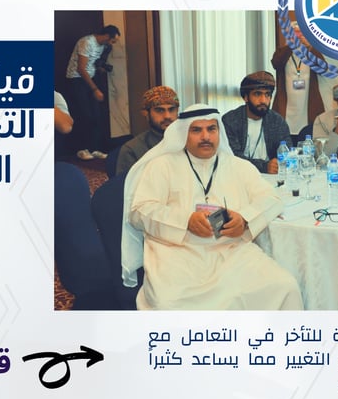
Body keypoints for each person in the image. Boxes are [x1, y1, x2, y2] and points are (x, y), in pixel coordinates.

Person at [122, 104, 304, 310]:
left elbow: (272, 199)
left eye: (211, 129)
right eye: (196, 130)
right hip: (178, 254)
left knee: (285, 287)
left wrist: (245, 219)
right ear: (183, 133)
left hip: (232, 252)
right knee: (168, 303)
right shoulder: (162, 166)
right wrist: (185, 221)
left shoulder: (239, 166)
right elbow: (139, 211)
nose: (205, 137)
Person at [271, 21, 338, 134]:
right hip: (286, 107)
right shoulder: (283, 52)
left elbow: (323, 69)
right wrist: (290, 46)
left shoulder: (311, 53)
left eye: (302, 33)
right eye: (295, 33)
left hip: (308, 107)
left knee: (308, 135)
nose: (299, 37)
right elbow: (276, 63)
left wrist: (310, 48)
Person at [65, 25, 121, 161]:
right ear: (107, 36)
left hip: (90, 78)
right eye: (113, 40)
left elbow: (93, 63)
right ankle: (82, 149)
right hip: (77, 80)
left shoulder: (103, 46)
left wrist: (101, 68)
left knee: (97, 115)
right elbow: (81, 69)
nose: (112, 44)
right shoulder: (87, 42)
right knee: (85, 115)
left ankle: (94, 148)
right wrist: (95, 89)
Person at [222, 71, 292, 174]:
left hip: (271, 176)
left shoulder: (277, 121)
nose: (263, 100)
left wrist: (279, 163)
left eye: (267, 94)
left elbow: (287, 150)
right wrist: (263, 167)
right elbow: (232, 156)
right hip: (239, 175)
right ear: (246, 97)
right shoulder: (230, 120)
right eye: (257, 94)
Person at [115, 85, 179, 176]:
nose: (167, 116)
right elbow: (126, 184)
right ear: (146, 113)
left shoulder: (189, 141)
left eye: (172, 109)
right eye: (159, 110)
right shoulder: (132, 150)